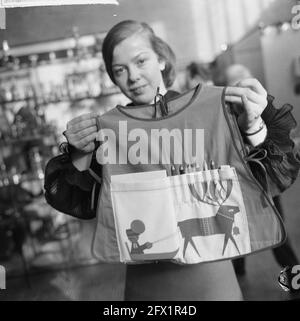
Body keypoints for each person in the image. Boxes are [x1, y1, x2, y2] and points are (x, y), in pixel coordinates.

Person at [44, 20, 300, 300]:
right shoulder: (110, 133)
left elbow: (269, 180)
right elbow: (76, 202)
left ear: (162, 60)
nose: (133, 77)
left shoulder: (210, 113)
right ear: (112, 77)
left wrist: (253, 126)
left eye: (141, 61)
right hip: (147, 289)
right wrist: (80, 155)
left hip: (214, 285)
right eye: (120, 70)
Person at [224, 64, 299, 277]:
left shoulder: (262, 108)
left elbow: (275, 148)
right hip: (239, 183)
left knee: (277, 233)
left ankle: (294, 278)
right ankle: (239, 273)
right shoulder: (225, 113)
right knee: (237, 232)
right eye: (236, 85)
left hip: (264, 183)